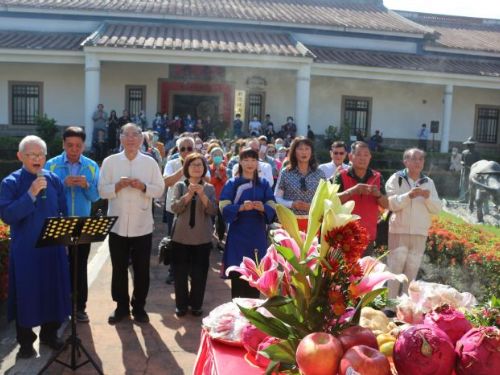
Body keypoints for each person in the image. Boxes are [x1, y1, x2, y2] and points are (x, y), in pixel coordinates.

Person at [0, 135, 71, 358]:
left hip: (53, 248)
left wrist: (66, 239)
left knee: (53, 290)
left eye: (41, 154)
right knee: (26, 294)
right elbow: (8, 214)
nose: (37, 159)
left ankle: (50, 335)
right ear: (20, 156)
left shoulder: (54, 180)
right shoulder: (10, 183)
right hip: (26, 251)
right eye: (32, 155)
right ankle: (26, 343)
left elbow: (63, 211)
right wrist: (30, 194)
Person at [99, 123, 164, 324]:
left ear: (141, 139)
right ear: (120, 138)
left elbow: (160, 189)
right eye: (126, 135)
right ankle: (120, 306)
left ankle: (139, 307)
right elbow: (102, 191)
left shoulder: (150, 162)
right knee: (118, 268)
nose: (130, 139)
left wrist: (143, 186)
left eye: (135, 135)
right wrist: (117, 186)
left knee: (141, 268)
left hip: (142, 224)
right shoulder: (110, 162)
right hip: (117, 225)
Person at [45, 127, 100, 323]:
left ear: (83, 146)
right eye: (70, 145)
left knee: (80, 267)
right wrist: (62, 184)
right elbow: (45, 196)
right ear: (63, 144)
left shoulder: (92, 166)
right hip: (58, 222)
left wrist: (87, 185)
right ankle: (58, 307)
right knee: (58, 266)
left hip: (82, 224)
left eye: (78, 145)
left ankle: (80, 307)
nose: (74, 149)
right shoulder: (51, 165)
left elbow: (96, 196)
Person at [385, 148, 441, 300]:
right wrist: (408, 196)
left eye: (421, 159)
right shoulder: (396, 178)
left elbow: (437, 208)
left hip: (419, 233)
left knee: (411, 272)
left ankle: (407, 308)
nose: (418, 162)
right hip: (398, 231)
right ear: (405, 161)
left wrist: (428, 198)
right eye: (414, 159)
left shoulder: (428, 182)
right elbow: (390, 204)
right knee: (395, 271)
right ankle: (389, 306)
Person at [220, 148, 276, 298]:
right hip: (237, 234)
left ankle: (253, 316)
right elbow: (223, 208)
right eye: (246, 160)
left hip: (257, 235)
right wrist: (240, 208)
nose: (250, 163)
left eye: (253, 160)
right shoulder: (232, 183)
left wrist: (264, 208)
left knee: (256, 278)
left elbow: (273, 206)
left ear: (258, 162)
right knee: (238, 277)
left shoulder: (264, 184)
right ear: (240, 162)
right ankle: (238, 313)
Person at [170, 154, 218, 317]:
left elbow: (212, 211)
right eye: (193, 165)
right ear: (187, 168)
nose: (197, 168)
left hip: (202, 237)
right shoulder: (179, 186)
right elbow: (175, 208)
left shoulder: (209, 188)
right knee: (180, 273)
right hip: (181, 237)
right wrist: (189, 195)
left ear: (204, 168)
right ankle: (181, 305)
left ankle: (196, 304)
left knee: (200, 274)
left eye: (200, 165)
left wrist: (203, 195)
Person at [335, 141, 389, 254]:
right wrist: (352, 191)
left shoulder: (377, 177)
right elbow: (333, 200)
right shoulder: (341, 175)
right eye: (358, 154)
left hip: (367, 235)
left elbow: (386, 204)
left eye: (366, 155)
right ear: (351, 156)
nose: (362, 158)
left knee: (364, 270)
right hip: (344, 234)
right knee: (344, 270)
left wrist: (378, 194)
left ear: (370, 157)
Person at [275, 137, 325, 232]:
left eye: (307, 149)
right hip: (289, 222)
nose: (304, 152)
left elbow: (325, 200)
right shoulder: (285, 173)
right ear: (294, 152)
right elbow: (277, 198)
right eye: (300, 149)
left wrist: (312, 206)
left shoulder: (320, 174)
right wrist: (292, 204)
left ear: (311, 152)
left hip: (312, 223)